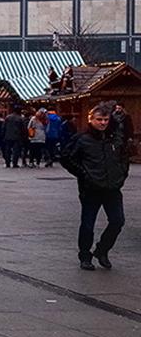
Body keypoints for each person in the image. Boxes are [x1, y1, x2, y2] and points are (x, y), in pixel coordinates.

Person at [61, 102, 129, 271]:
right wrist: (83, 174)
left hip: (112, 187)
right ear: (91, 119)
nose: (103, 123)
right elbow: (66, 157)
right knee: (87, 223)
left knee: (117, 221)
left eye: (105, 119)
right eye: (99, 119)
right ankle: (85, 255)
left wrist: (121, 174)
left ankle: (102, 250)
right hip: (91, 188)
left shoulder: (115, 138)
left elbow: (124, 157)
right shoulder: (82, 139)